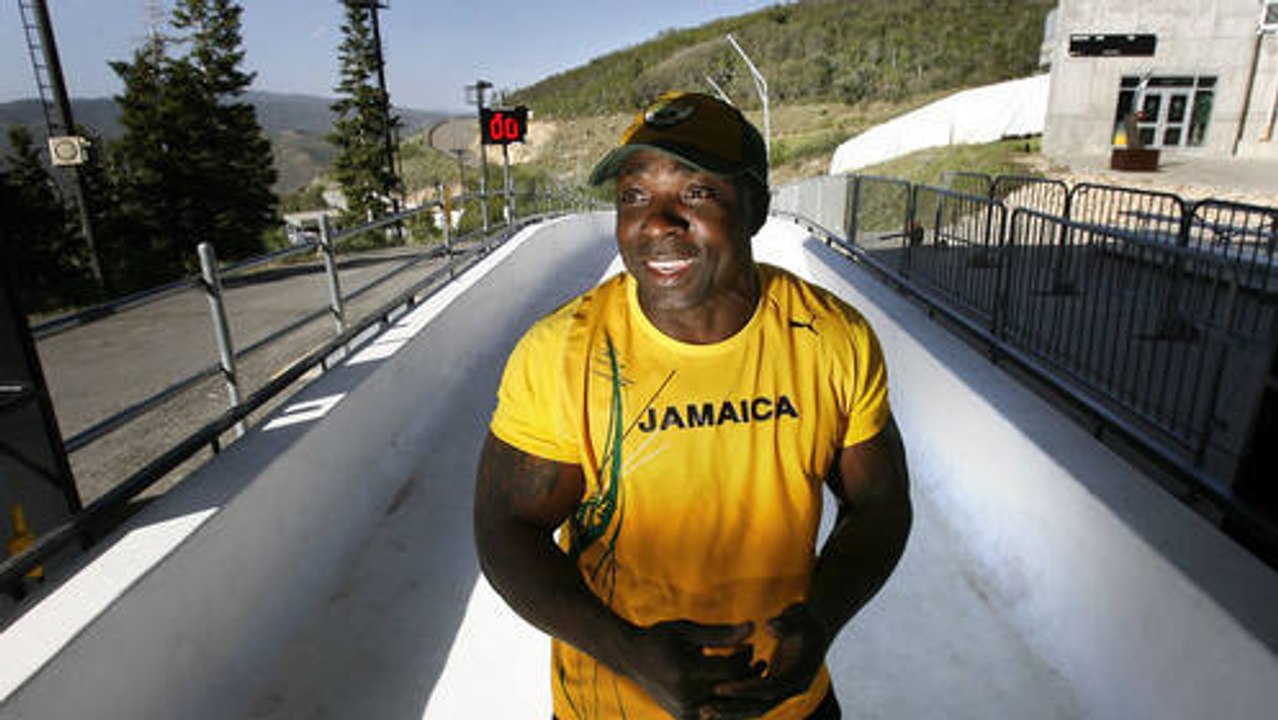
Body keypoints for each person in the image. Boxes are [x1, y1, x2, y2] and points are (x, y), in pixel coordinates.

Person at [474, 91, 912, 720]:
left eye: (696, 193)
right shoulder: (564, 353)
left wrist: (822, 619)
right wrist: (627, 653)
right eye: (634, 197)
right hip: (614, 706)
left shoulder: (832, 339)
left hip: (785, 706)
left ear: (755, 206)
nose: (657, 221)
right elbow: (505, 529)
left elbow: (879, 502)